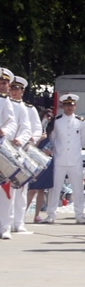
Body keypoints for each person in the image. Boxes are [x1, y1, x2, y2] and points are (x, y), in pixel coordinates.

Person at [45, 94, 85, 224]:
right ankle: (51, 214)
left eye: (72, 104)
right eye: (67, 104)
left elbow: (83, 140)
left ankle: (80, 215)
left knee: (78, 189)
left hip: (75, 159)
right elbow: (52, 138)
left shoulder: (80, 121)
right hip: (59, 158)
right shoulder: (57, 121)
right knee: (55, 188)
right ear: (63, 105)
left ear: (75, 106)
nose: (69, 107)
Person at [6, 75, 38, 233]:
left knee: (20, 188)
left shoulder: (25, 108)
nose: (13, 91)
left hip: (18, 150)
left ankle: (18, 223)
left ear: (22, 91)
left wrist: (22, 140)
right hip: (3, 149)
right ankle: (6, 222)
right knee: (5, 190)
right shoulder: (4, 102)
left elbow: (31, 129)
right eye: (12, 87)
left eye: (16, 88)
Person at [0, 68, 18, 240]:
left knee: (5, 189)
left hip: (1, 149)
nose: (1, 85)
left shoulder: (6, 102)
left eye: (4, 82)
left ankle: (4, 227)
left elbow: (12, 123)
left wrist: (3, 131)